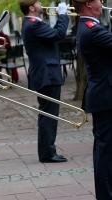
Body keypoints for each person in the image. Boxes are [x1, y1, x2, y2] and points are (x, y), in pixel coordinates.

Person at [19, 0, 69, 163]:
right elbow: (58, 34)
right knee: (49, 115)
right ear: (32, 8)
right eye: (39, 3)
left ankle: (47, 151)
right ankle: (47, 153)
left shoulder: (33, 23)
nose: (42, 4)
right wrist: (62, 15)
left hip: (45, 73)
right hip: (46, 74)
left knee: (48, 114)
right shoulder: (33, 24)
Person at [73, 0, 112, 198]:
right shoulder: (93, 30)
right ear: (89, 3)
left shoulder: (89, 26)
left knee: (105, 149)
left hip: (103, 94)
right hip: (106, 96)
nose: (102, 2)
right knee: (106, 151)